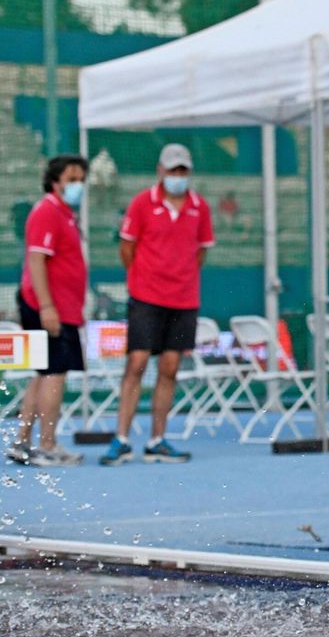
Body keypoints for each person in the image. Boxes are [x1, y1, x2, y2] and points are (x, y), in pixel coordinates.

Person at [101, 144, 213, 466]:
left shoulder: (199, 207)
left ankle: (157, 440)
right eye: (172, 170)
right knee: (136, 363)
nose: (178, 176)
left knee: (170, 368)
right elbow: (127, 249)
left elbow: (201, 252)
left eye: (183, 171)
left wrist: (180, 276)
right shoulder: (141, 203)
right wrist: (144, 279)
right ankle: (121, 439)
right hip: (146, 299)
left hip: (184, 301)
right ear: (160, 171)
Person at [5, 155, 89, 467]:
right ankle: (47, 444)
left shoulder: (65, 213)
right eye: (72, 178)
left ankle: (23, 441)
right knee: (55, 373)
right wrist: (48, 307)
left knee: (43, 372)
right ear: (55, 182)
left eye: (81, 178)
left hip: (62, 306)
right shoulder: (47, 212)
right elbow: (37, 260)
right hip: (49, 307)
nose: (78, 185)